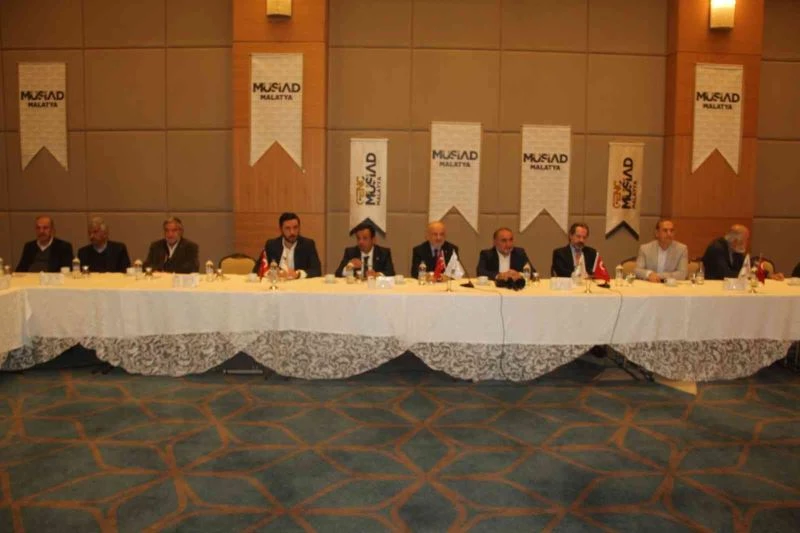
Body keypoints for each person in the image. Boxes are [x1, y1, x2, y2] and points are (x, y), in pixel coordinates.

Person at [702, 224, 784, 280]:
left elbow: (746, 267)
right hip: (715, 289)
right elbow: (725, 274)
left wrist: (768, 275)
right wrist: (750, 275)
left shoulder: (735, 249)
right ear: (735, 241)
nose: (746, 243)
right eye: (745, 240)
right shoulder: (716, 249)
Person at [254, 212, 321, 279]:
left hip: (299, 284)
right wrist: (271, 273)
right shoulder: (271, 245)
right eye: (287, 228)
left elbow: (317, 271)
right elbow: (258, 270)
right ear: (281, 229)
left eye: (295, 227)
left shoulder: (308, 245)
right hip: (278, 283)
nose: (292, 232)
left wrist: (298, 274)